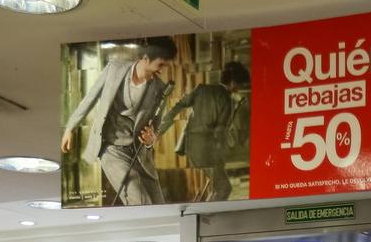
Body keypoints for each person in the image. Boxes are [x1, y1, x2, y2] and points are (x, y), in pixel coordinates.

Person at [61, 38, 177, 206]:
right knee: (140, 202)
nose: (162, 70)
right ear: (146, 58)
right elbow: (90, 98)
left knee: (159, 205)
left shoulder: (160, 89)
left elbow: (156, 127)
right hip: (112, 150)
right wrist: (70, 127)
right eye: (160, 65)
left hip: (139, 156)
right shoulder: (115, 69)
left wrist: (151, 140)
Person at [156, 61, 249, 202]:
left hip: (191, 146)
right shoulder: (227, 99)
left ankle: (207, 209)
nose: (238, 89)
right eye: (239, 85)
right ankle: (209, 213)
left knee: (217, 188)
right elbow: (220, 132)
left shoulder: (201, 89)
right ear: (233, 83)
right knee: (224, 188)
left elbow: (179, 106)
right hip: (207, 151)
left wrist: (160, 130)